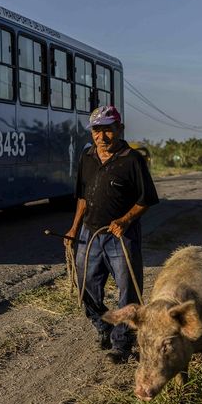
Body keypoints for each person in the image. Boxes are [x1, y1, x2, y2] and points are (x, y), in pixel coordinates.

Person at [65, 105, 160, 363]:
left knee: (127, 291)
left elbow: (146, 200)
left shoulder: (132, 160)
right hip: (89, 234)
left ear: (119, 129)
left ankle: (122, 344)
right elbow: (83, 197)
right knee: (86, 287)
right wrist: (74, 228)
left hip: (121, 236)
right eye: (97, 131)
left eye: (108, 130)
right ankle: (103, 326)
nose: (102, 137)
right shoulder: (87, 157)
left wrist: (126, 219)